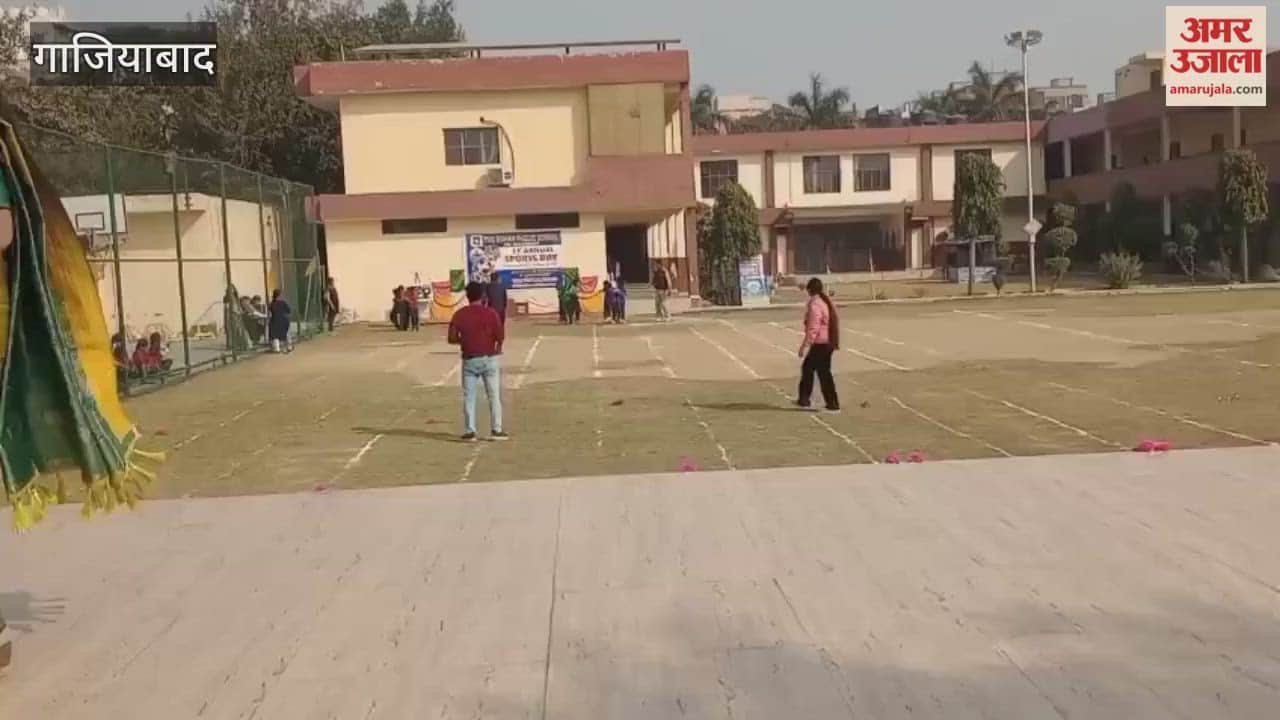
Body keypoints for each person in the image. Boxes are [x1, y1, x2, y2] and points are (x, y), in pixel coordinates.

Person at [447, 282, 507, 442]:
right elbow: (500, 336)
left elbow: (451, 338)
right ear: (483, 296)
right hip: (489, 357)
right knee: (494, 395)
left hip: (470, 358)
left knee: (469, 396)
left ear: (467, 296)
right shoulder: (491, 313)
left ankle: (470, 430)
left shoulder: (459, 315)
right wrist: (496, 347)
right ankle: (497, 429)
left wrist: (464, 341)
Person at [795, 278, 840, 413]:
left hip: (821, 343)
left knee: (813, 370)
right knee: (819, 371)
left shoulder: (815, 305)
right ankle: (807, 400)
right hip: (827, 343)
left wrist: (804, 346)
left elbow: (813, 328)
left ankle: (828, 403)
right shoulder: (823, 301)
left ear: (809, 290)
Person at [268, 289, 291, 353]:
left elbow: (269, 313)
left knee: (275, 335)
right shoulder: (283, 302)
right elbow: (288, 311)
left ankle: (277, 348)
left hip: (274, 320)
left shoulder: (272, 303)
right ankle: (288, 347)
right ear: (280, 295)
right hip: (283, 320)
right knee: (286, 333)